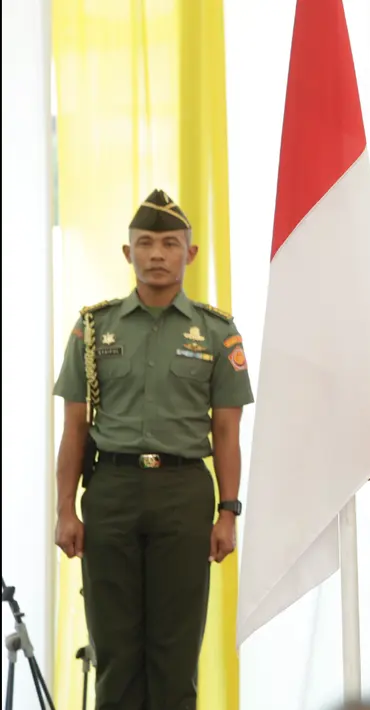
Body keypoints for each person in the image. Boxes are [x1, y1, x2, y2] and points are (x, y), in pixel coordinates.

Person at [51, 189, 254, 710]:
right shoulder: (93, 329)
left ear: (191, 253)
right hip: (111, 491)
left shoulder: (217, 332)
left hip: (183, 494)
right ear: (127, 254)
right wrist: (65, 510)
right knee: (115, 652)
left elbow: (226, 432)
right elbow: (75, 427)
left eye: (170, 243)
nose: (157, 254)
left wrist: (227, 513)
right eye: (145, 243)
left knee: (174, 653)